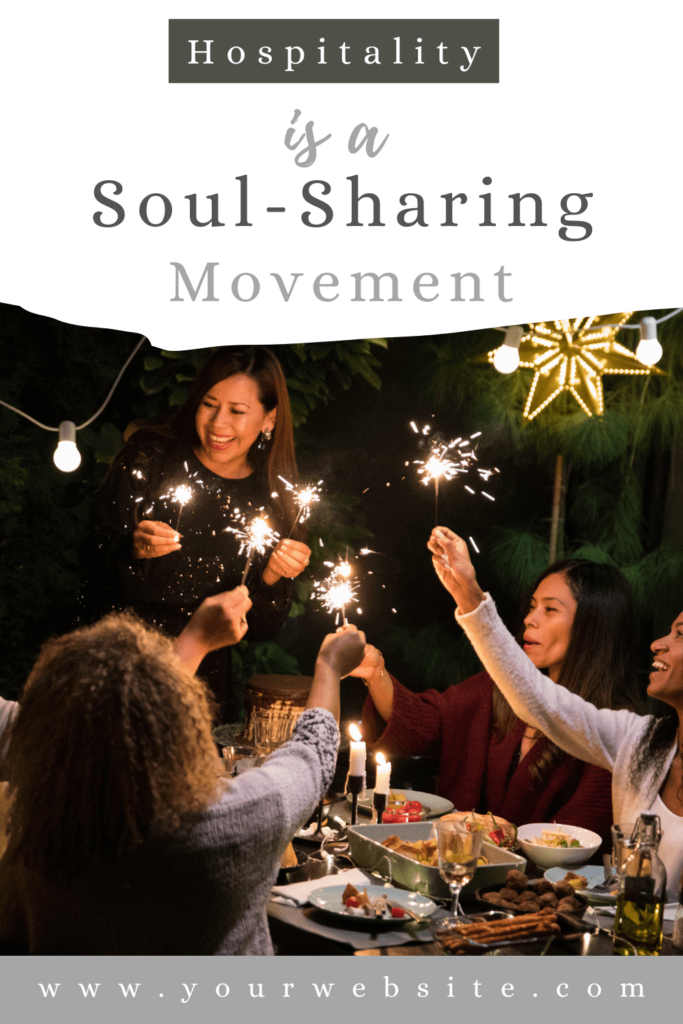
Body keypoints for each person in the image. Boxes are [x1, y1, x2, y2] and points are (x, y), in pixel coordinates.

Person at [0, 600, 364, 954]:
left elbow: (90, 723)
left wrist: (197, 639)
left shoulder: (45, 825)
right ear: (180, 717)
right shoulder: (232, 822)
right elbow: (313, 752)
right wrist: (329, 666)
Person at [428, 525, 683, 899]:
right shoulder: (639, 742)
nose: (658, 644)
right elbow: (539, 700)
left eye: (681, 635)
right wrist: (469, 595)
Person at [81, 346, 312, 721]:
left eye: (237, 411)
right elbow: (90, 558)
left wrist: (271, 577)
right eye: (209, 404)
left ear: (269, 419)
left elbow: (262, 628)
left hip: (196, 693)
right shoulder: (149, 458)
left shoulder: (276, 502)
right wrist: (131, 548)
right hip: (111, 670)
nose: (219, 423)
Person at [356, 555, 641, 851]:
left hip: (546, 890)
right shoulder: (499, 688)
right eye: (532, 607)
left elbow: (574, 843)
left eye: (550, 609)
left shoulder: (614, 730)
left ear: (592, 626)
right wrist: (375, 673)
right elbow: (426, 721)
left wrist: (501, 841)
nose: (530, 619)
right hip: (459, 870)